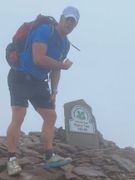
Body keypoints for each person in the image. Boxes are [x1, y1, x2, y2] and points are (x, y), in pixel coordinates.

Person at [6, 6, 80, 175]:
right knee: (19, 115)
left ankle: (49, 156)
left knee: (50, 116)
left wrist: (54, 90)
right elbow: (38, 59)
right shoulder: (45, 30)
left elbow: (55, 69)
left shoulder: (65, 44)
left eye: (73, 22)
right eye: (68, 19)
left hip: (39, 82)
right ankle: (11, 160)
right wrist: (62, 65)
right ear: (61, 18)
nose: (70, 24)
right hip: (20, 75)